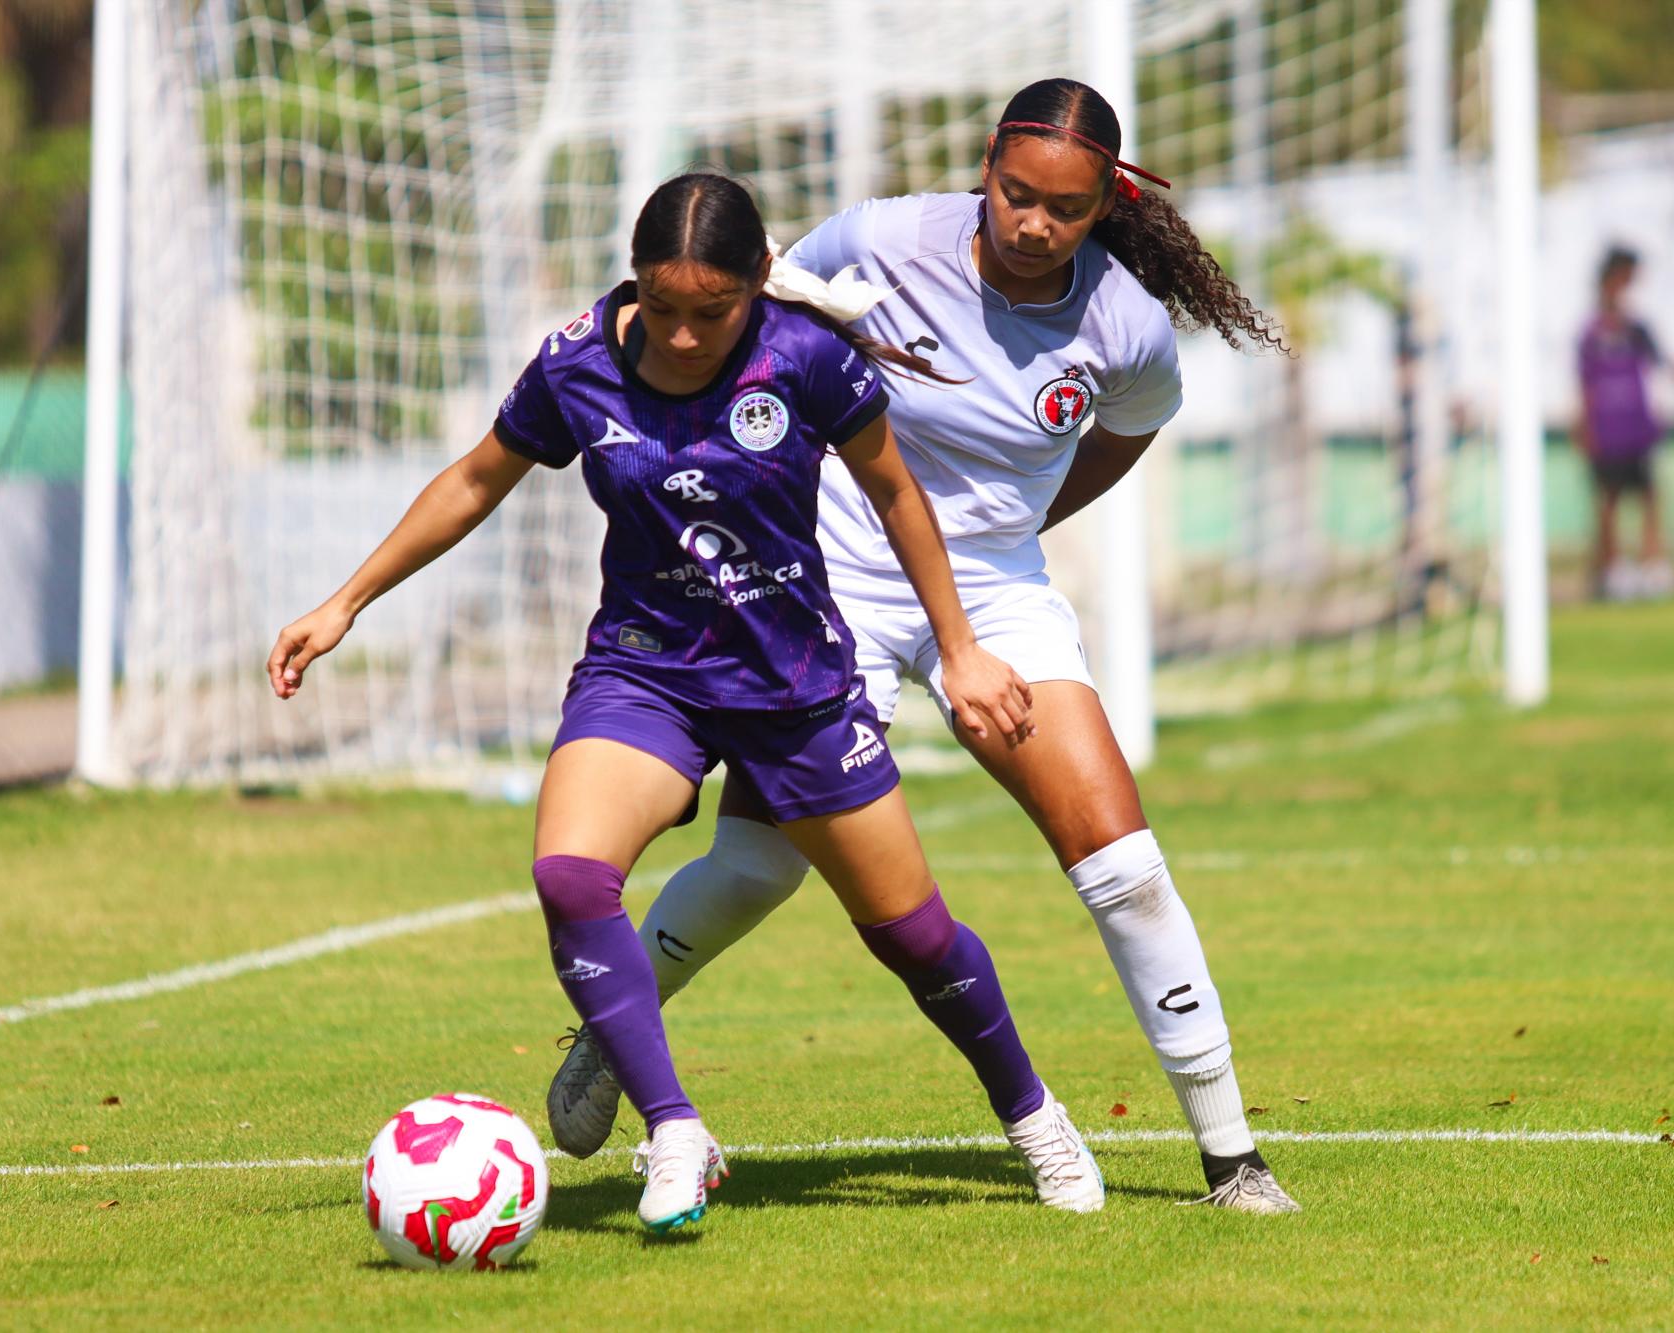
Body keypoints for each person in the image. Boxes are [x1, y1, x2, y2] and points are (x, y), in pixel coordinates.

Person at [269, 171, 1106, 1236]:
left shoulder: (802, 358)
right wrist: (345, 601)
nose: (678, 336)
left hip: (790, 683)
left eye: (707, 314)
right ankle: (672, 1130)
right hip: (643, 670)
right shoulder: (577, 364)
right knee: (569, 873)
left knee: (913, 935)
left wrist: (960, 650)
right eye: (659, 309)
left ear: (758, 283)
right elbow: (477, 478)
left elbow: (897, 491)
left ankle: (1034, 1117)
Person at [550, 78, 1302, 1213]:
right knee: (758, 867)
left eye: (1063, 207)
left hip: (993, 590)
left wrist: (1013, 532)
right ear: (984, 167)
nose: (1032, 223)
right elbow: (746, 324)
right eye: (1013, 194)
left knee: (1122, 868)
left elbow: (1128, 432)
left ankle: (1230, 1155)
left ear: (1103, 205)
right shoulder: (884, 236)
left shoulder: (1126, 329)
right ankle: (615, 1030)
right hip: (829, 573)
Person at [1576, 245, 1674, 601]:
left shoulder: (1638, 330)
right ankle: (1613, 571)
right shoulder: (1591, 333)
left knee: (1649, 496)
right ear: (1611, 281)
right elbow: (1584, 386)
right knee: (1609, 500)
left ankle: (1652, 566)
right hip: (1607, 429)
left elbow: (1669, 366)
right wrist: (1585, 429)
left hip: (1637, 427)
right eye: (1626, 280)